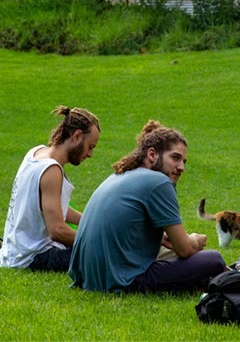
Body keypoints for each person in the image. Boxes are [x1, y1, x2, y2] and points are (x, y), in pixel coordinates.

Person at [69, 120, 226, 293]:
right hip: (122, 280)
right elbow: (184, 249)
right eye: (175, 158)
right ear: (152, 154)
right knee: (213, 260)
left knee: (173, 254)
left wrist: (163, 239)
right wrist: (195, 240)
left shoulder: (120, 175)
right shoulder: (159, 182)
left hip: (88, 278)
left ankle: (236, 274)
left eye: (184, 161)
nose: (181, 167)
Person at [0, 106, 101, 272]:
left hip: (14, 253)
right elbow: (57, 231)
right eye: (90, 146)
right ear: (77, 136)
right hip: (33, 257)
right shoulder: (51, 170)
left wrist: (89, 222)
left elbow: (52, 207)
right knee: (105, 256)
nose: (90, 154)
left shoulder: (36, 153)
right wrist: (94, 243)